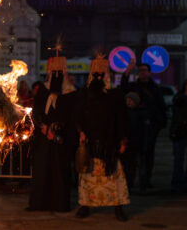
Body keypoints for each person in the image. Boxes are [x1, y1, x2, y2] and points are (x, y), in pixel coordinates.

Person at [75, 57, 129, 222]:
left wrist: (122, 141)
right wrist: (80, 132)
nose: (99, 77)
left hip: (109, 141)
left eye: (102, 74)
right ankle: (85, 205)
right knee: (87, 176)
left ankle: (118, 207)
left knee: (113, 176)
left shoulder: (115, 94)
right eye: (95, 74)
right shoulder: (84, 93)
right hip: (90, 141)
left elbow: (122, 118)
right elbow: (77, 115)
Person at [27, 56, 76, 212]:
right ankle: (39, 203)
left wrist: (55, 130)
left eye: (58, 72)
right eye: (52, 72)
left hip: (60, 140)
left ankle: (60, 204)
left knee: (59, 172)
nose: (55, 76)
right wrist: (43, 127)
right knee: (42, 171)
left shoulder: (71, 94)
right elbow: (36, 112)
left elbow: (71, 116)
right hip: (43, 139)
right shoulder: (42, 91)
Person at [121, 62, 167, 191]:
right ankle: (130, 181)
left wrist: (158, 125)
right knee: (131, 157)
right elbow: (122, 89)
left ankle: (145, 180)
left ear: (149, 72)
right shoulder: (133, 86)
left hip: (149, 127)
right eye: (140, 70)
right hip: (134, 127)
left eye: (145, 70)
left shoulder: (155, 88)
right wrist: (127, 72)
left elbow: (161, 107)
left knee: (147, 156)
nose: (142, 72)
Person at [122, 91, 146, 189]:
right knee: (127, 165)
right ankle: (128, 183)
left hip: (136, 143)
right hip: (126, 143)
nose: (129, 102)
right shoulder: (124, 113)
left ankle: (135, 184)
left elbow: (143, 131)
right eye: (127, 100)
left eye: (131, 100)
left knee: (134, 165)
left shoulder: (140, 114)